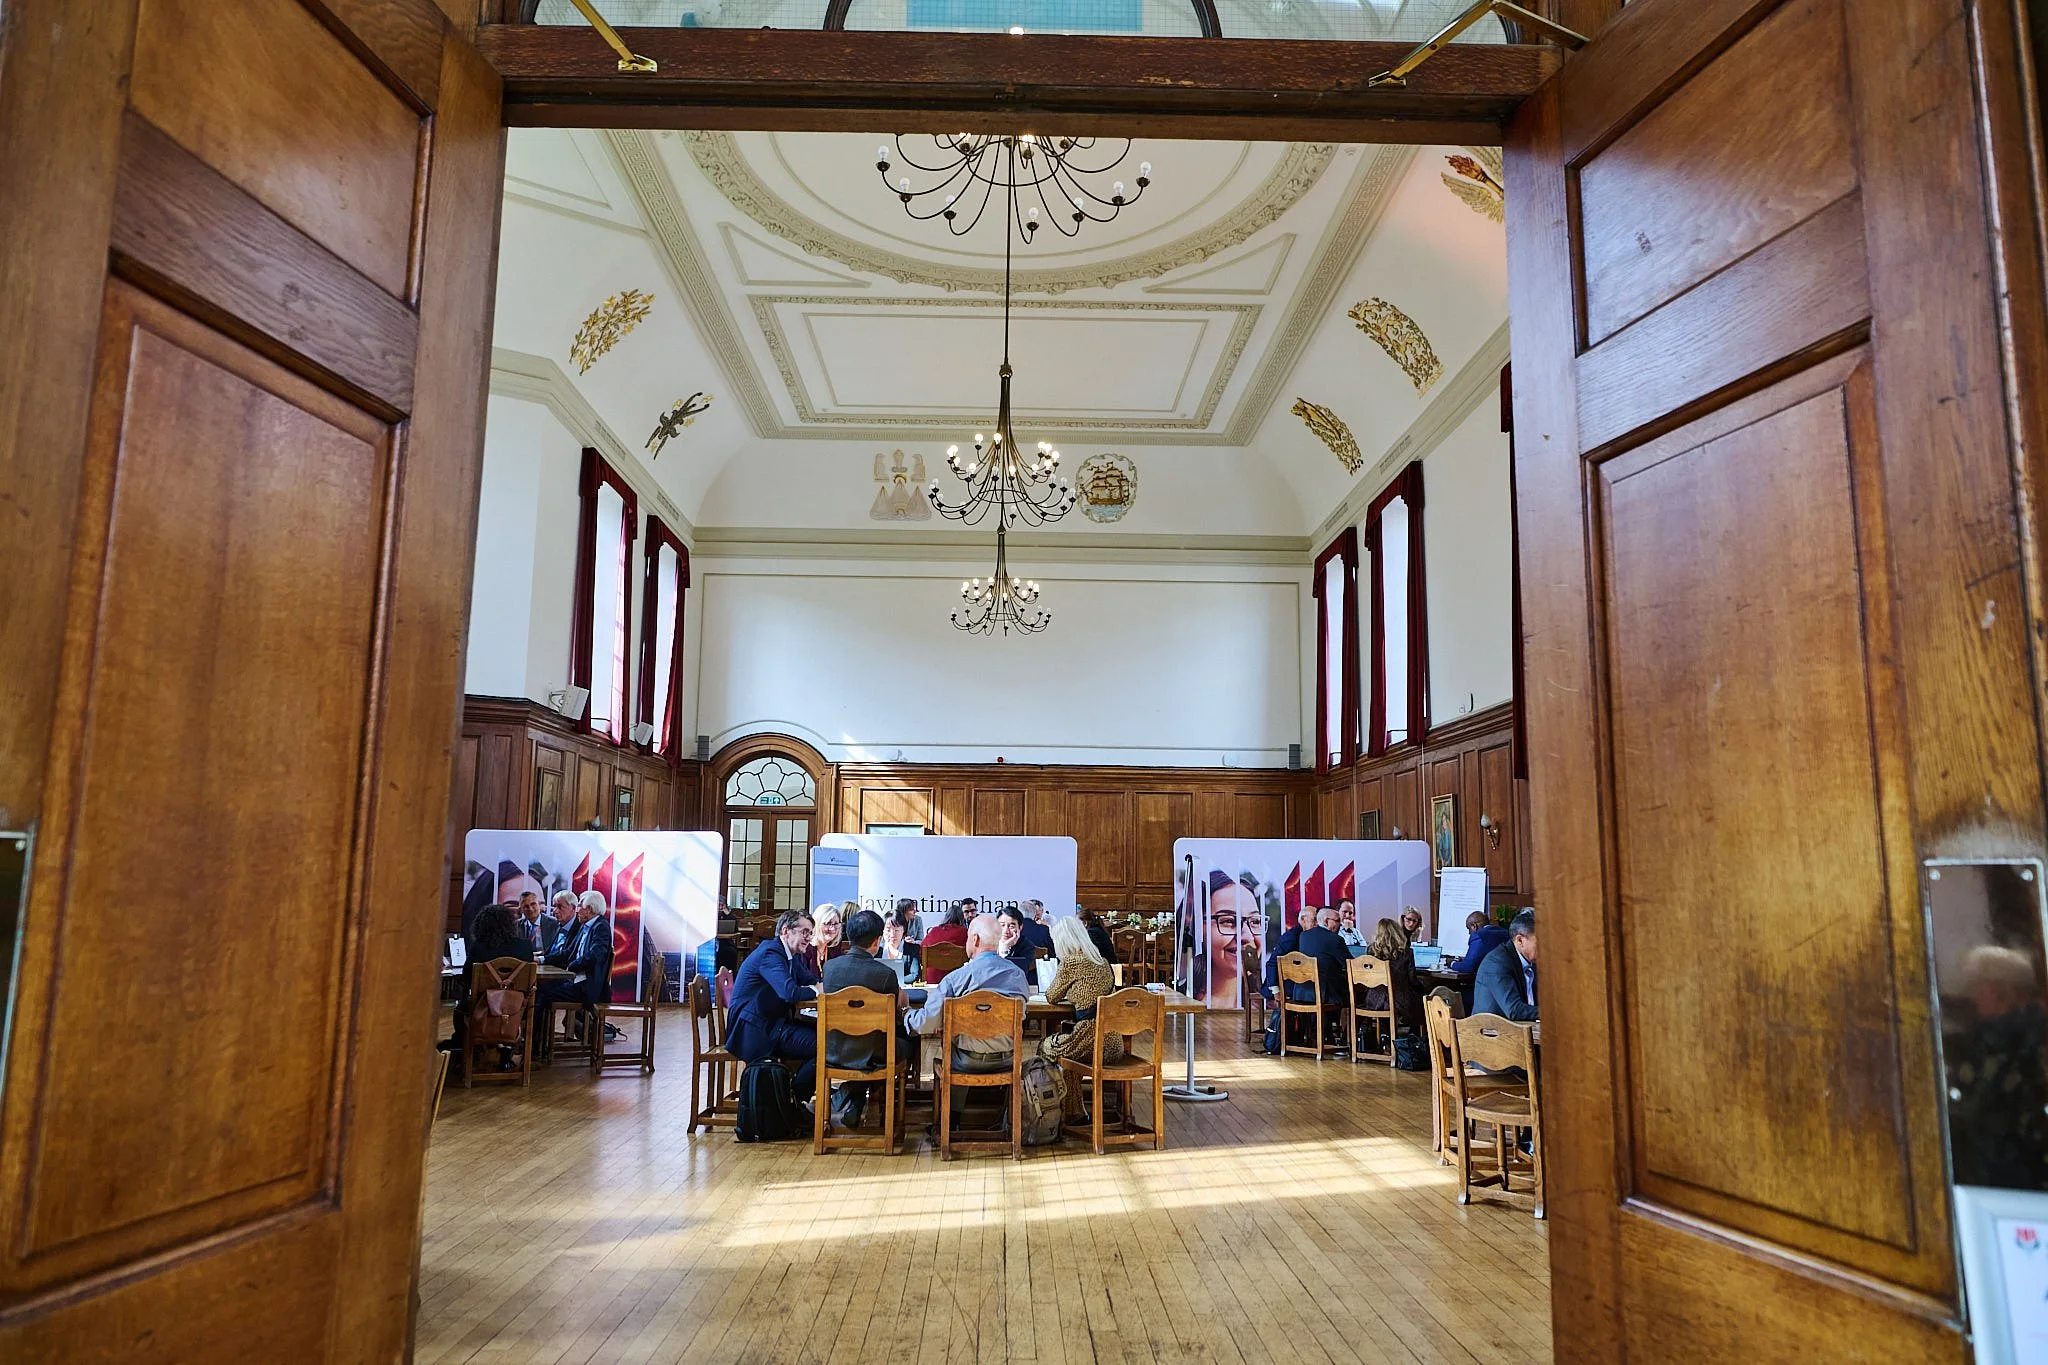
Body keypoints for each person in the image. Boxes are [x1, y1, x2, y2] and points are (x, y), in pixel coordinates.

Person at [905, 914, 1030, 1103]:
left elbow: (925, 1023)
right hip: (1007, 1060)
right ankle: (1001, 1115)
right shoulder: (1018, 976)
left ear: (975, 939)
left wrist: (906, 1012)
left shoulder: (955, 980)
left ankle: (952, 1119)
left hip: (966, 1061)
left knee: (951, 1046)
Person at [819, 909, 909, 1129]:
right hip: (874, 1053)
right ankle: (873, 1103)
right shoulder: (885, 974)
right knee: (906, 1042)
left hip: (835, 1051)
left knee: (880, 1043)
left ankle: (854, 1096)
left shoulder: (830, 968)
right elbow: (898, 1013)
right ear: (877, 940)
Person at [726, 908, 823, 1099]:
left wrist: (819, 985)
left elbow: (812, 979)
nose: (809, 938)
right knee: (825, 1045)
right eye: (805, 932)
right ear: (786, 931)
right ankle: (792, 1099)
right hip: (755, 1030)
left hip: (771, 1023)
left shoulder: (789, 956)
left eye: (810, 933)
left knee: (823, 1034)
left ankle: (789, 1100)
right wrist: (816, 990)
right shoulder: (771, 953)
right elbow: (789, 992)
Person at [1038, 914, 1123, 1066]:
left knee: (1046, 1046)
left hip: (1089, 1040)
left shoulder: (1071, 962)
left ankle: (1061, 1090)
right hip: (1114, 1043)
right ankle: (1072, 1090)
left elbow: (1051, 996)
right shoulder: (1102, 961)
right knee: (1067, 1049)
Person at [539, 890, 615, 1010]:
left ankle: (537, 1029)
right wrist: (541, 959)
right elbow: (568, 952)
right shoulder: (584, 926)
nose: (577, 909)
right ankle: (542, 1028)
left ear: (589, 909)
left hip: (586, 986)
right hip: (576, 981)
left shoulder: (601, 927)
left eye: (579, 905)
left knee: (541, 991)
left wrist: (573, 966)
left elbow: (596, 954)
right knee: (540, 987)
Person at [1473, 908, 1537, 1021]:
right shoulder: (1497, 962)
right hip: (1490, 1034)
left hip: (1520, 1030)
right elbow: (1514, 1010)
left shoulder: (1534, 962)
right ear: (1520, 940)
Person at [1362, 917, 1422, 1034]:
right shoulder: (1406, 952)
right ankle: (1412, 1038)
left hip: (1374, 1000)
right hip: (1398, 1001)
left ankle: (1385, 1036)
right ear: (1397, 932)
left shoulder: (1370, 951)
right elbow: (1412, 980)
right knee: (1421, 1002)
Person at [920, 901, 970, 983]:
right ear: (962, 918)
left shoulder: (934, 930)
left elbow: (921, 950)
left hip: (932, 978)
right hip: (956, 980)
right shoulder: (965, 933)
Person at [1448, 910, 1511, 975]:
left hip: (1488, 980)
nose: (1469, 933)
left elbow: (1468, 967)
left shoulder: (1479, 936)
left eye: (1469, 929)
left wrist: (1452, 963)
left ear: (1474, 926)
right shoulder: (1505, 933)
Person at [879, 906, 918, 980]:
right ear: (883, 930)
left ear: (903, 930)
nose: (892, 934)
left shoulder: (912, 949)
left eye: (896, 930)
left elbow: (914, 975)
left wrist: (894, 983)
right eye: (888, 930)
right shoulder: (877, 949)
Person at [998, 905, 1038, 976]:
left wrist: (1005, 949)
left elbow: (1015, 974)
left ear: (1020, 927)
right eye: (1002, 925)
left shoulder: (1026, 946)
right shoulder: (989, 941)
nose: (1006, 931)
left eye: (1011, 926)